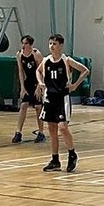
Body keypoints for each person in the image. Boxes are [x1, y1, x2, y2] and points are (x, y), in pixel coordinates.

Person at [38, 34, 89, 172]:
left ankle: (72, 154)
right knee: (52, 131)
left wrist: (75, 85)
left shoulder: (66, 60)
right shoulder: (46, 60)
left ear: (60, 45)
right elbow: (38, 71)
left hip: (62, 98)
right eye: (50, 43)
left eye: (54, 44)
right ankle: (55, 160)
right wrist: (40, 82)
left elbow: (85, 70)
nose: (51, 46)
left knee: (62, 128)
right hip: (49, 98)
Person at [12, 35, 46, 144]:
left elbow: (42, 71)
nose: (23, 45)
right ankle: (18, 132)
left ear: (30, 44)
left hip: (36, 82)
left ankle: (41, 132)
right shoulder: (19, 54)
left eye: (25, 43)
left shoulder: (36, 54)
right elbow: (21, 72)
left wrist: (39, 86)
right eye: (22, 43)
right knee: (23, 105)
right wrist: (22, 87)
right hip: (27, 83)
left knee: (38, 107)